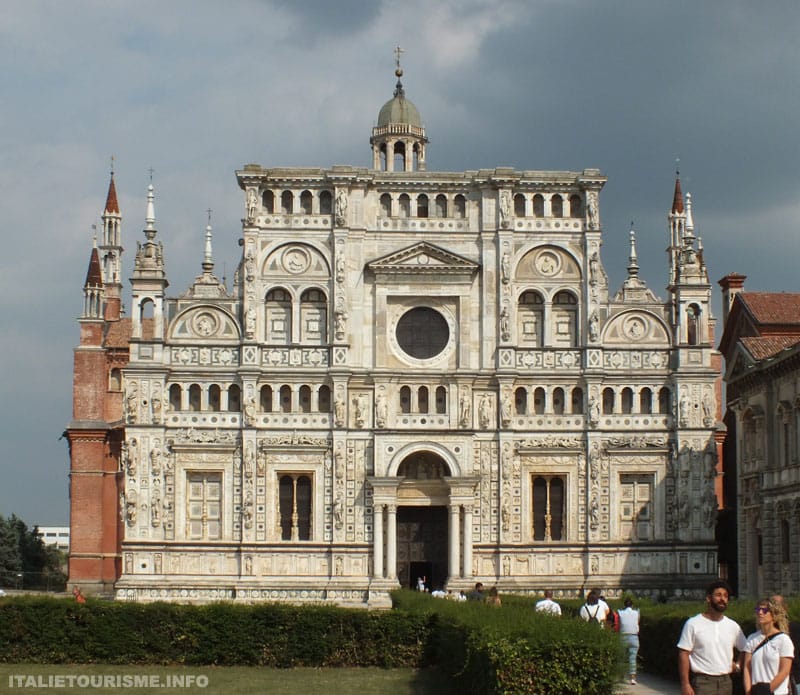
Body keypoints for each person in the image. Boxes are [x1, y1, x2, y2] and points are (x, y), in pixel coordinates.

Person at [677, 579, 746, 695]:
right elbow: (683, 654)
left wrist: (738, 665)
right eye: (718, 595)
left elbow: (746, 648)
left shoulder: (732, 626)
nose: (722, 599)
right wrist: (685, 684)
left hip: (725, 682)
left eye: (725, 596)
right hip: (702, 683)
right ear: (708, 598)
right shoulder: (693, 623)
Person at [743, 598, 794, 695]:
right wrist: (748, 691)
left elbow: (784, 670)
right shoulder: (752, 638)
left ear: (774, 615)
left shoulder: (783, 640)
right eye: (758, 610)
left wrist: (767, 690)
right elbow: (747, 668)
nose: (760, 613)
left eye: (764, 610)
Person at [772, 595, 800, 695]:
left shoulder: (796, 629)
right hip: (773, 679)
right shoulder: (765, 632)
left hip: (795, 678)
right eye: (773, 606)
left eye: (778, 606)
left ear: (785, 607)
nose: (776, 609)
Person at [617, 597, 641, 685]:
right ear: (632, 605)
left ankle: (621, 676)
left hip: (623, 636)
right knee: (632, 658)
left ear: (624, 605)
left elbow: (619, 624)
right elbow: (637, 622)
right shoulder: (636, 612)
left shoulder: (620, 612)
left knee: (622, 657)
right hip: (634, 636)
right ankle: (632, 678)